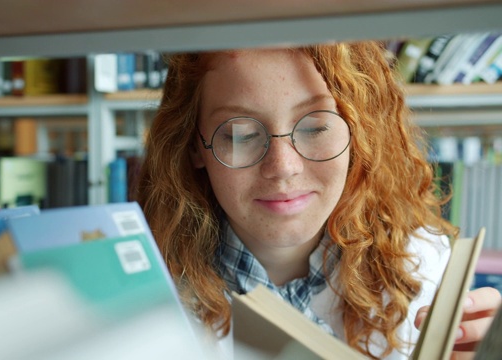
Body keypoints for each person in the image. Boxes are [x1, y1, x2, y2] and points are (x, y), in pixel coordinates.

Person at [134, 41, 501, 359]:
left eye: (315, 127)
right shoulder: (142, 297)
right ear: (196, 145)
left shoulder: (423, 268)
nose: (283, 167)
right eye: (240, 134)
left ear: (360, 131)